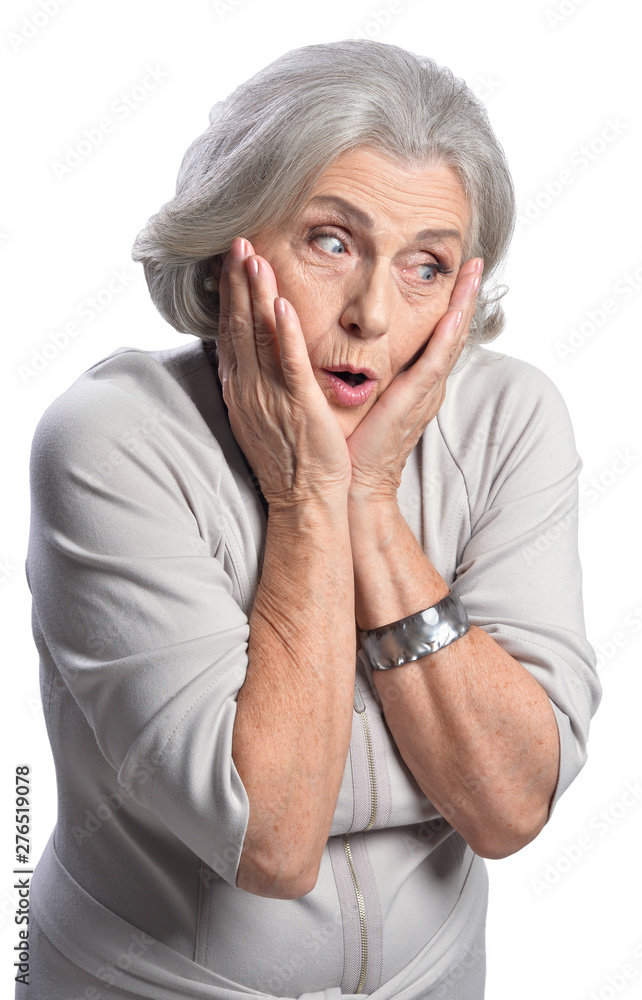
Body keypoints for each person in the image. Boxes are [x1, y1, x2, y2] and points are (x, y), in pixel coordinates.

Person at [20, 39, 601, 1000]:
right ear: (229, 242)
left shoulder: (511, 418)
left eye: (426, 266)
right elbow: (270, 834)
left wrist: (366, 503)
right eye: (331, 241)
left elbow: (506, 805)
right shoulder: (112, 440)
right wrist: (304, 502)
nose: (373, 313)